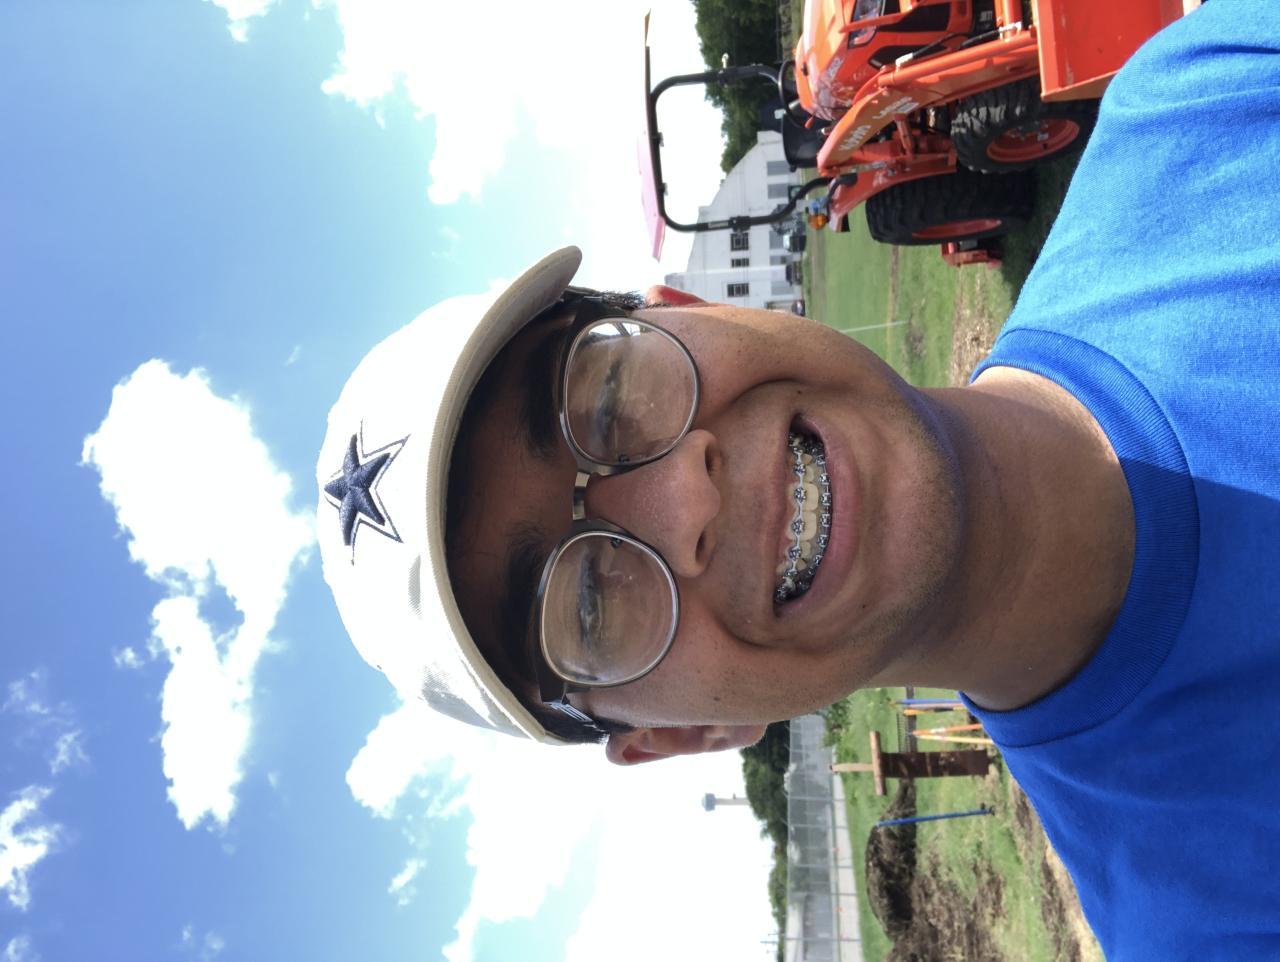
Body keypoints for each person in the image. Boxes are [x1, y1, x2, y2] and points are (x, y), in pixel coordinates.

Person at [317, 4, 1280, 959]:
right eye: (591, 607)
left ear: (685, 304)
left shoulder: (1228, 94)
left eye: (609, 397)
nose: (686, 500)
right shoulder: (1220, 931)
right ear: (690, 733)